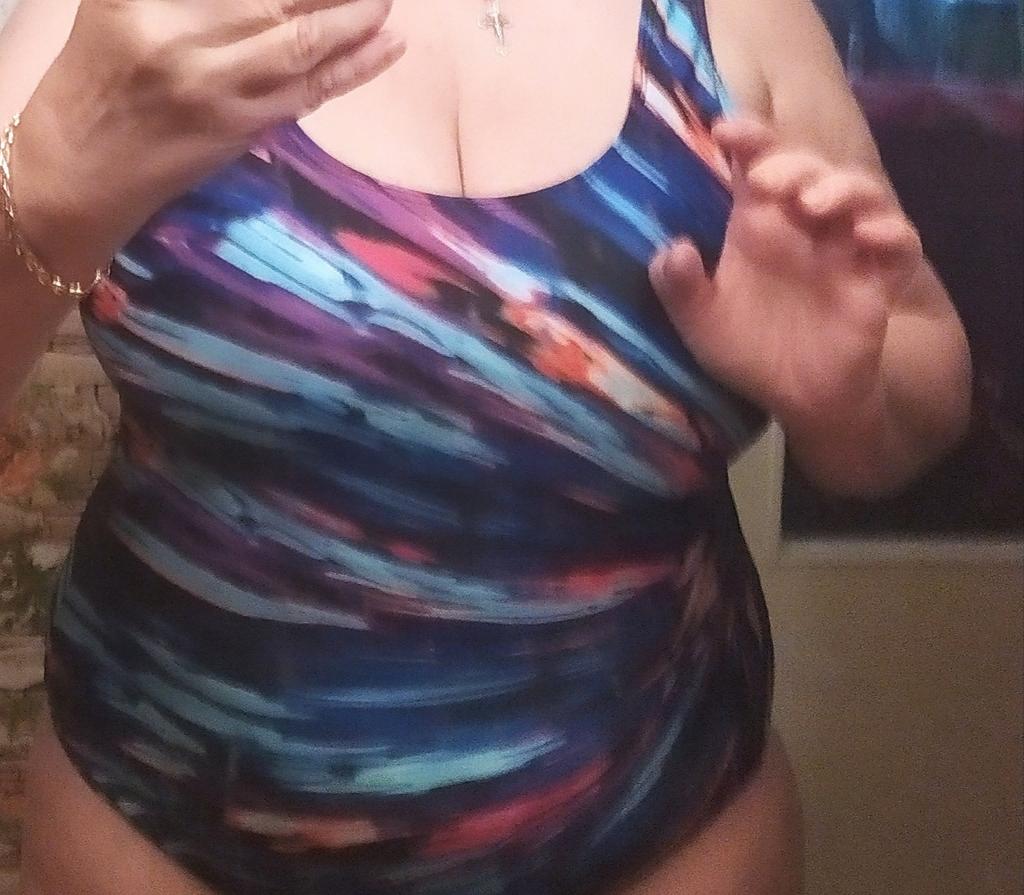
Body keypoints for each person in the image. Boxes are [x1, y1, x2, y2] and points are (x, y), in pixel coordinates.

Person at [0, 1, 971, 893]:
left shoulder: (737, 16)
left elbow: (916, 400)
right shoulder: (117, 11)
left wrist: (848, 401)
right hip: (161, 836)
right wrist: (45, 194)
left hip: (668, 834)